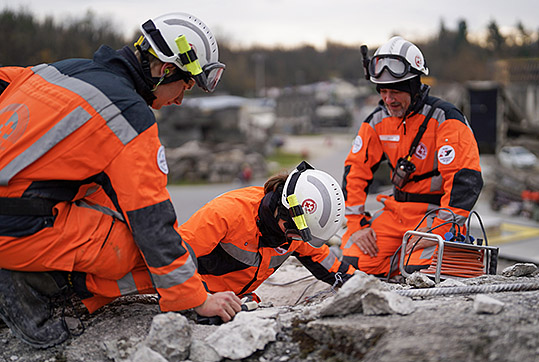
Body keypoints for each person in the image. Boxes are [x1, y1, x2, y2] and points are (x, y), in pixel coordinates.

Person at [0, 12, 240, 348]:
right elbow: (151, 221)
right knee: (154, 257)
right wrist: (194, 298)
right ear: (164, 69)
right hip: (17, 229)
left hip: (19, 214)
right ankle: (47, 296)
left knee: (104, 193)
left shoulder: (63, 68)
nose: (181, 99)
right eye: (184, 85)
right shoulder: (128, 113)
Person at [80, 162, 356, 323]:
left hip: (229, 298)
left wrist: (357, 284)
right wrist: (200, 299)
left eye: (300, 236)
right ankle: (75, 292)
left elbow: (322, 257)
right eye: (293, 232)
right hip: (191, 288)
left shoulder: (293, 228)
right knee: (120, 276)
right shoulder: (228, 213)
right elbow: (175, 257)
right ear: (283, 210)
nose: (294, 241)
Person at [340, 36, 484, 278]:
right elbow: (355, 171)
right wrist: (356, 225)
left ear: (414, 86)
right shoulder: (377, 120)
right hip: (396, 212)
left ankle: (428, 257)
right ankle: (402, 258)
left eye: (395, 91)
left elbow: (464, 180)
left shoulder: (446, 119)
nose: (388, 99)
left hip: (435, 215)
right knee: (355, 261)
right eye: (383, 91)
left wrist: (441, 228)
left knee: (422, 270)